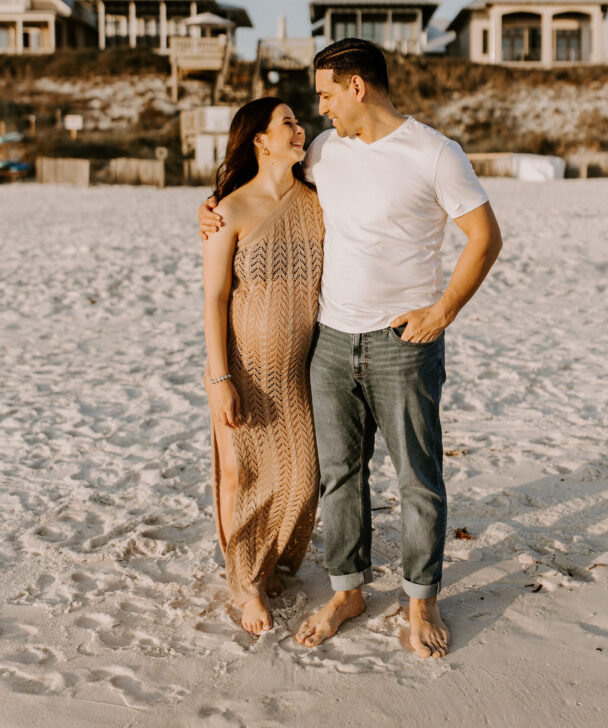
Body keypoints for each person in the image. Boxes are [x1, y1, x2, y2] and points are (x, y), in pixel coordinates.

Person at [200, 40, 502, 658]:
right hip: (331, 341)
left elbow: (485, 237)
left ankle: (421, 601)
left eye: (326, 93)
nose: (319, 108)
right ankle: (347, 590)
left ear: (356, 87)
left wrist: (441, 311)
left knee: (418, 478)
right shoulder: (323, 151)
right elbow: (260, 187)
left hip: (401, 341)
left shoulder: (435, 153)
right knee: (339, 477)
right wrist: (210, 209)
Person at [202, 97, 324, 636]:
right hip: (239, 366)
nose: (301, 129)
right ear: (260, 140)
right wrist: (220, 376)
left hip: (298, 368)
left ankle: (267, 559)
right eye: (289, 123)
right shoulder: (229, 210)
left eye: (300, 121)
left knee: (301, 476)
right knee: (240, 474)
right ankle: (245, 583)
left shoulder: (317, 200)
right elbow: (214, 299)